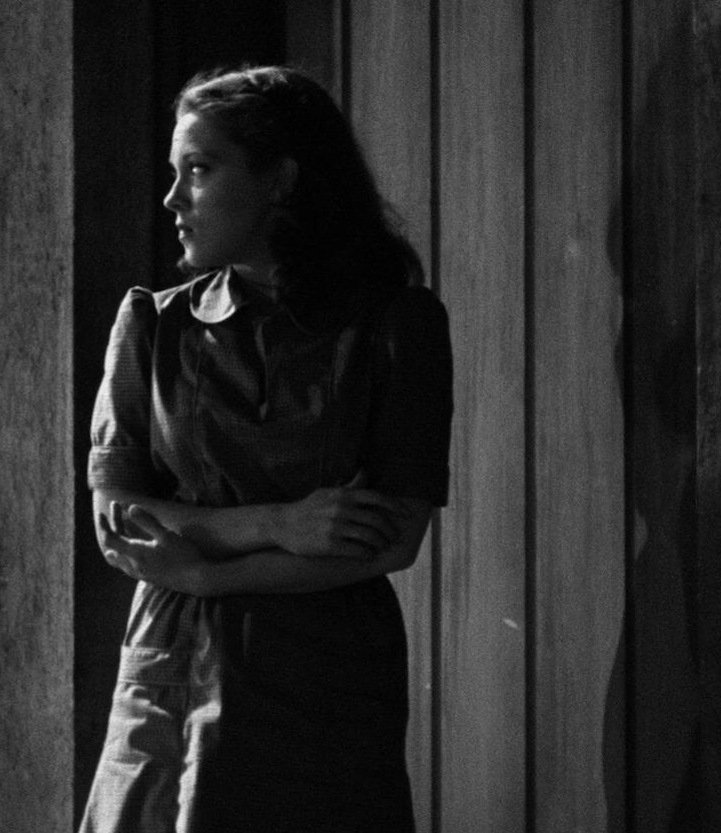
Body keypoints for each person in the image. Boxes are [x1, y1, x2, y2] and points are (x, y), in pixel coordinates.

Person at [80, 65, 453, 833]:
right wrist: (278, 524)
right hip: (170, 670)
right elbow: (118, 519)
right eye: (175, 172)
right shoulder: (153, 325)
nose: (173, 199)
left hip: (321, 677)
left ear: (280, 180)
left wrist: (207, 571)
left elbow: (393, 538)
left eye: (199, 170)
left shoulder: (395, 325)